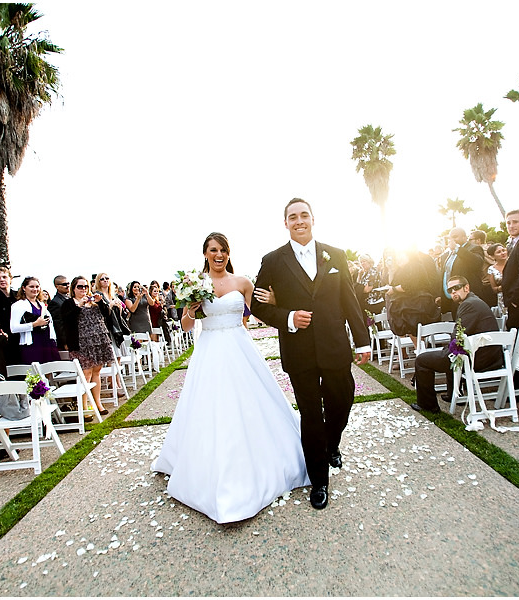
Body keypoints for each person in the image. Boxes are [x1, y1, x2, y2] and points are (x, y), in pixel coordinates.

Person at [153, 232, 310, 523]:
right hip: (210, 349)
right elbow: (187, 325)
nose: (218, 254)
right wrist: (191, 307)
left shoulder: (243, 283)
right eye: (213, 250)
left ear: (228, 253)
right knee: (211, 408)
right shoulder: (196, 285)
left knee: (252, 404)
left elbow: (259, 313)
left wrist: (276, 300)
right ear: (205, 253)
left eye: (223, 250)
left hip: (240, 346)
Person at [251, 198, 370, 510]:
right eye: (293, 217)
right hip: (299, 350)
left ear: (313, 219)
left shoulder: (337, 255)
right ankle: (319, 481)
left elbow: (349, 299)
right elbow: (260, 305)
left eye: (304, 215)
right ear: (286, 223)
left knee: (342, 399)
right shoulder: (273, 260)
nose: (299, 220)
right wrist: (289, 317)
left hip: (334, 345)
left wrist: (363, 340)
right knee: (311, 416)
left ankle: (333, 443)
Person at [411, 275, 502, 412]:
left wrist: (447, 349)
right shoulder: (474, 301)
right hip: (487, 355)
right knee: (448, 351)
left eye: (457, 288)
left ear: (466, 287)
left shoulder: (468, 305)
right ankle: (453, 394)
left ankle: (427, 405)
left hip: (479, 360)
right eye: (450, 290)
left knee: (422, 360)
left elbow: (459, 336)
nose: (453, 292)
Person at [61, 276, 113, 416]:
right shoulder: (69, 303)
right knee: (86, 373)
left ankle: (98, 403)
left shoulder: (94, 301)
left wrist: (101, 302)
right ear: (73, 288)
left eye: (85, 286)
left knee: (96, 372)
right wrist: (79, 305)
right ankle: (84, 407)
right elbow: (68, 320)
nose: (83, 289)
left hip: (97, 340)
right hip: (81, 343)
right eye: (80, 287)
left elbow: (107, 315)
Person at [385, 247, 440, 345]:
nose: (398, 258)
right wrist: (391, 270)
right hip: (409, 303)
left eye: (400, 255)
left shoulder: (415, 266)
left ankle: (420, 351)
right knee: (409, 327)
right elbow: (392, 283)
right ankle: (419, 350)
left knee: (413, 326)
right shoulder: (402, 269)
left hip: (418, 304)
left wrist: (394, 289)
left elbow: (410, 286)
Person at [10, 276, 60, 364]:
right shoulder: (18, 305)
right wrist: (34, 324)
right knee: (35, 374)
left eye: (37, 287)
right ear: (24, 288)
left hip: (46, 342)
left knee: (49, 371)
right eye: (31, 287)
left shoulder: (41, 304)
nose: (35, 289)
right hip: (32, 344)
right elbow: (13, 328)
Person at [0, 266, 19, 364]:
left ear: (10, 279)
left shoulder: (19, 297)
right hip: (5, 342)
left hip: (22, 339)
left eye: (4, 277)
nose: (2, 280)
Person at [48, 275, 70, 349]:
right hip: (65, 341)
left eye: (68, 283)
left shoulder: (69, 298)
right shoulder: (55, 302)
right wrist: (65, 342)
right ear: (57, 286)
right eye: (64, 284)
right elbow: (58, 325)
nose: (67, 286)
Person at [484, 243, 507, 312]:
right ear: (493, 256)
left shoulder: (514, 264)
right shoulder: (491, 269)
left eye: (503, 250)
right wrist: (502, 287)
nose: (502, 253)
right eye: (498, 252)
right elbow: (494, 288)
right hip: (502, 298)